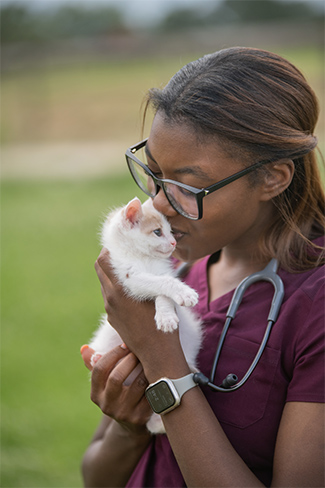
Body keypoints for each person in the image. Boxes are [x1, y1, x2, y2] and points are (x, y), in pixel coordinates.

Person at [80, 47, 325, 487]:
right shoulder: (175, 272)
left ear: (273, 178)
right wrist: (130, 423)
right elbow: (96, 475)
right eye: (154, 175)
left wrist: (163, 367)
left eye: (186, 187)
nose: (158, 203)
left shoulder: (315, 304)